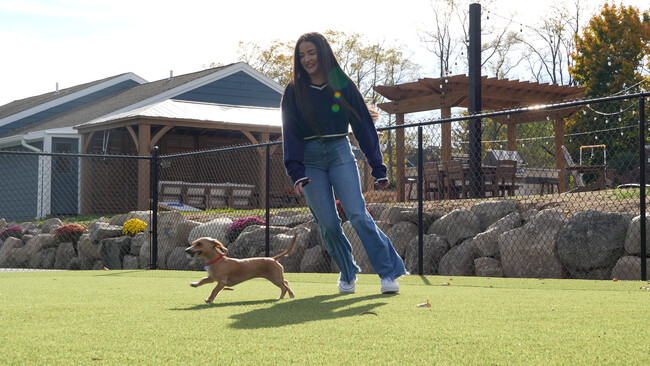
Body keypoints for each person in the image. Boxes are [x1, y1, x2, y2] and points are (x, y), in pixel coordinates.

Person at [281, 32, 407, 294]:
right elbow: (290, 133)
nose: (306, 59)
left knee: (357, 214)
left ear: (323, 53)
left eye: (311, 52)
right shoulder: (294, 91)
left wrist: (377, 167)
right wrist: (296, 172)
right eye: (301, 55)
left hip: (340, 152)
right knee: (327, 223)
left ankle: (387, 273)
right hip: (310, 159)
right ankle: (347, 273)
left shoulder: (340, 82)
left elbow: (362, 123)